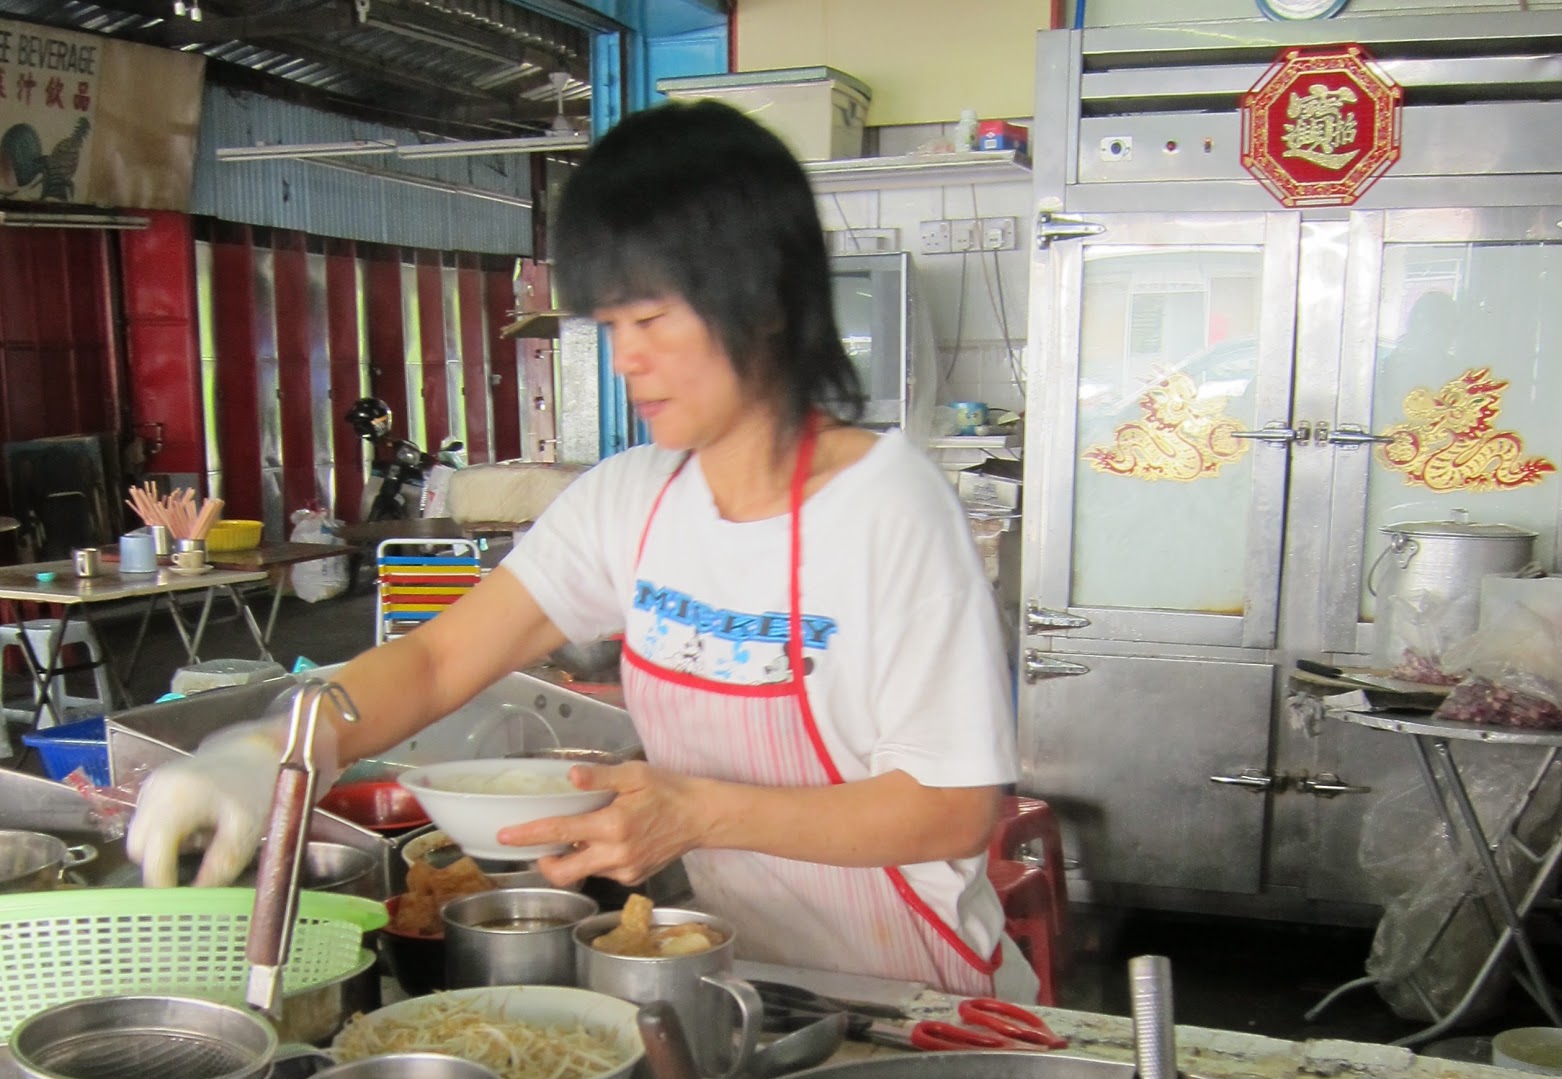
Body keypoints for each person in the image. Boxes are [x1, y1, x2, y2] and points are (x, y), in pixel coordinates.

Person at [128, 99, 1027, 999]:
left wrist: (699, 813)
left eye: (652, 318)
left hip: (915, 995)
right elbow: (440, 658)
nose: (626, 357)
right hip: (732, 974)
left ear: (763, 300)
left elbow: (949, 808)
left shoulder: (893, 512)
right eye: (610, 324)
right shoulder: (634, 499)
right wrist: (274, 752)